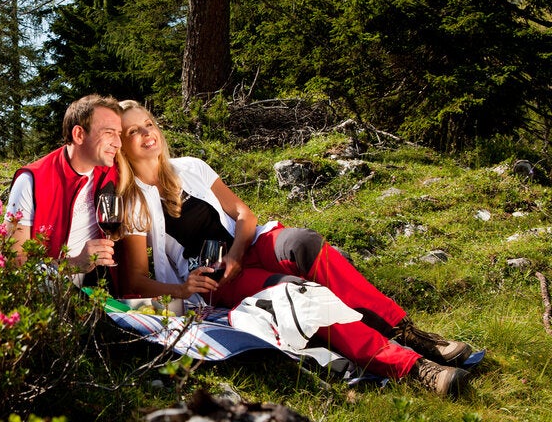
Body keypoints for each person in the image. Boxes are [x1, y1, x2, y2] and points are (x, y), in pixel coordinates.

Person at [115, 99, 474, 395]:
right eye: (134, 131)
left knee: (305, 243)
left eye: (149, 124)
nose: (148, 134)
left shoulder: (190, 166)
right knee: (297, 295)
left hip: (247, 246)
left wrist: (238, 253)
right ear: (122, 145)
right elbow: (135, 281)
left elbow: (243, 213)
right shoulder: (133, 202)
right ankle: (412, 367)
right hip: (216, 279)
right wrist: (183, 288)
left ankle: (407, 331)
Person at [2, 94, 123, 287]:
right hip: (38, 294)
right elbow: (13, 262)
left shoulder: (112, 169)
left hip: (94, 291)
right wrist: (75, 263)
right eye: (109, 132)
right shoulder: (31, 180)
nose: (118, 143)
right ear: (79, 134)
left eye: (119, 133)